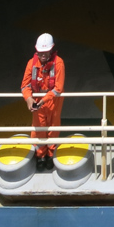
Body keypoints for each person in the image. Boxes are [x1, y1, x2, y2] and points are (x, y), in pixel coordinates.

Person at [21, 33, 65, 170]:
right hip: (37, 100)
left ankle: (51, 155)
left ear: (51, 50)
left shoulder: (59, 63)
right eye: (40, 52)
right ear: (37, 51)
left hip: (54, 101)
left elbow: (58, 88)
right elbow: (25, 86)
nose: (43, 55)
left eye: (46, 52)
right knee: (39, 129)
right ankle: (40, 156)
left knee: (53, 128)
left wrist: (44, 100)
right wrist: (29, 98)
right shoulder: (31, 64)